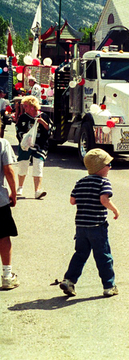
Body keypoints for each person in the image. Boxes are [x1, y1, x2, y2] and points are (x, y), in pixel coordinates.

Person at [59, 148, 120, 297]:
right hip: (97, 226)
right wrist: (115, 210)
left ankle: (69, 280)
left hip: (81, 227)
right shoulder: (104, 182)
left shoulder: (80, 182)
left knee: (80, 254)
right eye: (108, 165)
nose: (110, 167)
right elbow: (104, 199)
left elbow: (72, 201)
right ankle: (109, 286)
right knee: (103, 256)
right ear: (100, 168)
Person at [15, 95, 53, 199]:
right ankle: (20, 187)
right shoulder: (23, 117)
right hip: (26, 146)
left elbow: (50, 129)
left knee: (38, 166)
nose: (25, 108)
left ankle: (37, 191)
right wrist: (25, 138)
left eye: (26, 106)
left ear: (32, 106)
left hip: (40, 146)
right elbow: (18, 130)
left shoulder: (43, 116)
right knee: (23, 165)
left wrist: (42, 123)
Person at [1, 125, 19, 290]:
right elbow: (8, 171)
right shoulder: (2, 144)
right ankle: (7, 276)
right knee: (3, 236)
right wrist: (13, 192)